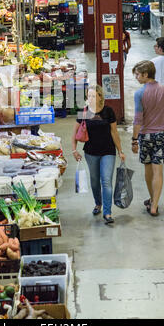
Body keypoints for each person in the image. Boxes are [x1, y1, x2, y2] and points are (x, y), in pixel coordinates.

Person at [72, 84, 125, 225]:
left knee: (106, 181)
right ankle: (98, 204)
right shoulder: (84, 112)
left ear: (100, 97)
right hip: (91, 152)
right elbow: (74, 134)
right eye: (88, 96)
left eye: (93, 96)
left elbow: (114, 132)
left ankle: (107, 212)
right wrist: (74, 150)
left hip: (108, 151)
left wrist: (120, 150)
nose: (90, 98)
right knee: (95, 182)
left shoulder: (108, 111)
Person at [132, 60, 164, 217]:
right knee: (159, 171)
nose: (136, 77)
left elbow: (138, 120)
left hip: (145, 136)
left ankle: (151, 198)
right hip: (161, 135)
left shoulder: (140, 93)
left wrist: (134, 139)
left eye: (137, 74)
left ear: (145, 74)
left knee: (148, 169)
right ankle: (154, 205)